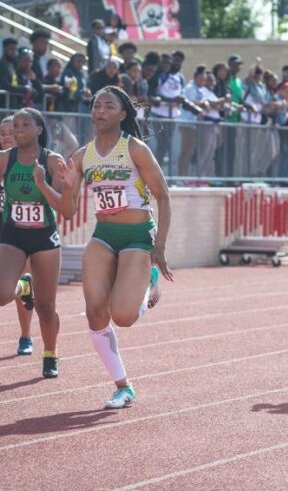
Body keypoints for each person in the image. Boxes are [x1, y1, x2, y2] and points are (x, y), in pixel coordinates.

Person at [58, 85, 173, 408]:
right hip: (104, 235)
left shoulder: (134, 148)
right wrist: (66, 186)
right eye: (96, 106)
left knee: (122, 316)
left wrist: (159, 246)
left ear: (123, 114)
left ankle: (150, 280)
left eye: (108, 106)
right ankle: (123, 385)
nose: (100, 111)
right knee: (95, 310)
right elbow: (67, 212)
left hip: (138, 236)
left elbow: (163, 195)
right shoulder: (82, 156)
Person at [0, 108, 65, 377]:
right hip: (12, 233)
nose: (18, 130)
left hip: (44, 237)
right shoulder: (5, 158)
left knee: (46, 307)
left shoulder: (52, 160)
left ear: (39, 129)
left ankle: (50, 354)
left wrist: (42, 183)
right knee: (2, 294)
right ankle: (22, 285)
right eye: (15, 125)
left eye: (25, 124)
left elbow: (62, 205)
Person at [0, 116, 35, 355]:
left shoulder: (31, 161)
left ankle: (25, 336)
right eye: (1, 134)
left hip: (20, 232)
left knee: (19, 282)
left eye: (9, 132)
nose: (5, 137)